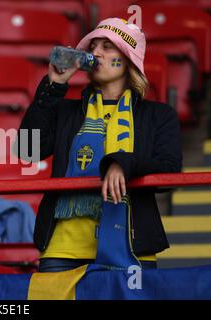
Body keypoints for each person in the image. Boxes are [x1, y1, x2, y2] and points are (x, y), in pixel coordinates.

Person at [16, 18, 182, 272]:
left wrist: (122, 164)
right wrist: (54, 85)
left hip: (130, 246)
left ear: (127, 59)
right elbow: (27, 149)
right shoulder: (66, 111)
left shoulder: (159, 115)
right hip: (62, 249)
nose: (95, 53)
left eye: (107, 47)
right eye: (93, 46)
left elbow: (170, 172)